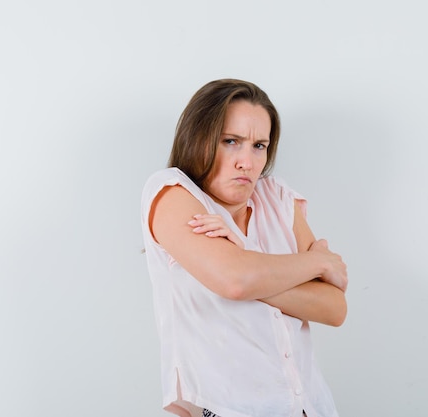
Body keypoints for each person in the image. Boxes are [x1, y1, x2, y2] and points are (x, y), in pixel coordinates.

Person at [140, 79, 348, 417]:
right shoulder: (172, 192)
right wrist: (316, 263)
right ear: (199, 138)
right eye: (231, 142)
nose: (247, 162)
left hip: (312, 408)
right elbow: (235, 281)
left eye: (259, 146)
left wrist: (249, 261)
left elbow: (334, 308)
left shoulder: (279, 199)